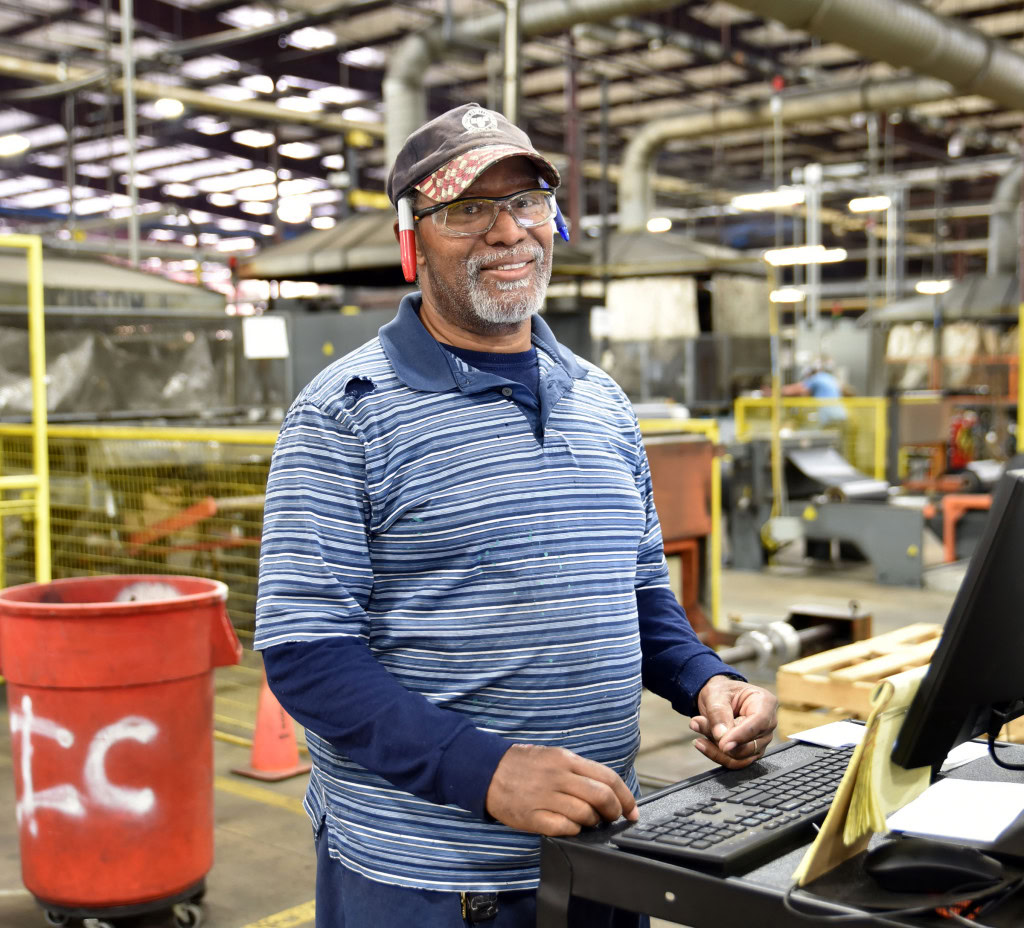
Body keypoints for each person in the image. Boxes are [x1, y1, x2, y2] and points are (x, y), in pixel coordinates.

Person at [255, 103, 778, 928]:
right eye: (467, 209)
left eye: (528, 201)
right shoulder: (344, 415)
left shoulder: (601, 402)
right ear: (412, 238)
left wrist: (705, 679)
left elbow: (637, 593)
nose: (509, 232)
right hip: (430, 884)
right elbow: (306, 651)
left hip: (604, 853)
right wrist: (484, 769)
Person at [780, 360, 849, 428]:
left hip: (829, 414)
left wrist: (777, 391)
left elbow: (797, 389)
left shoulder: (817, 378)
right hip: (841, 414)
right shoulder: (829, 378)